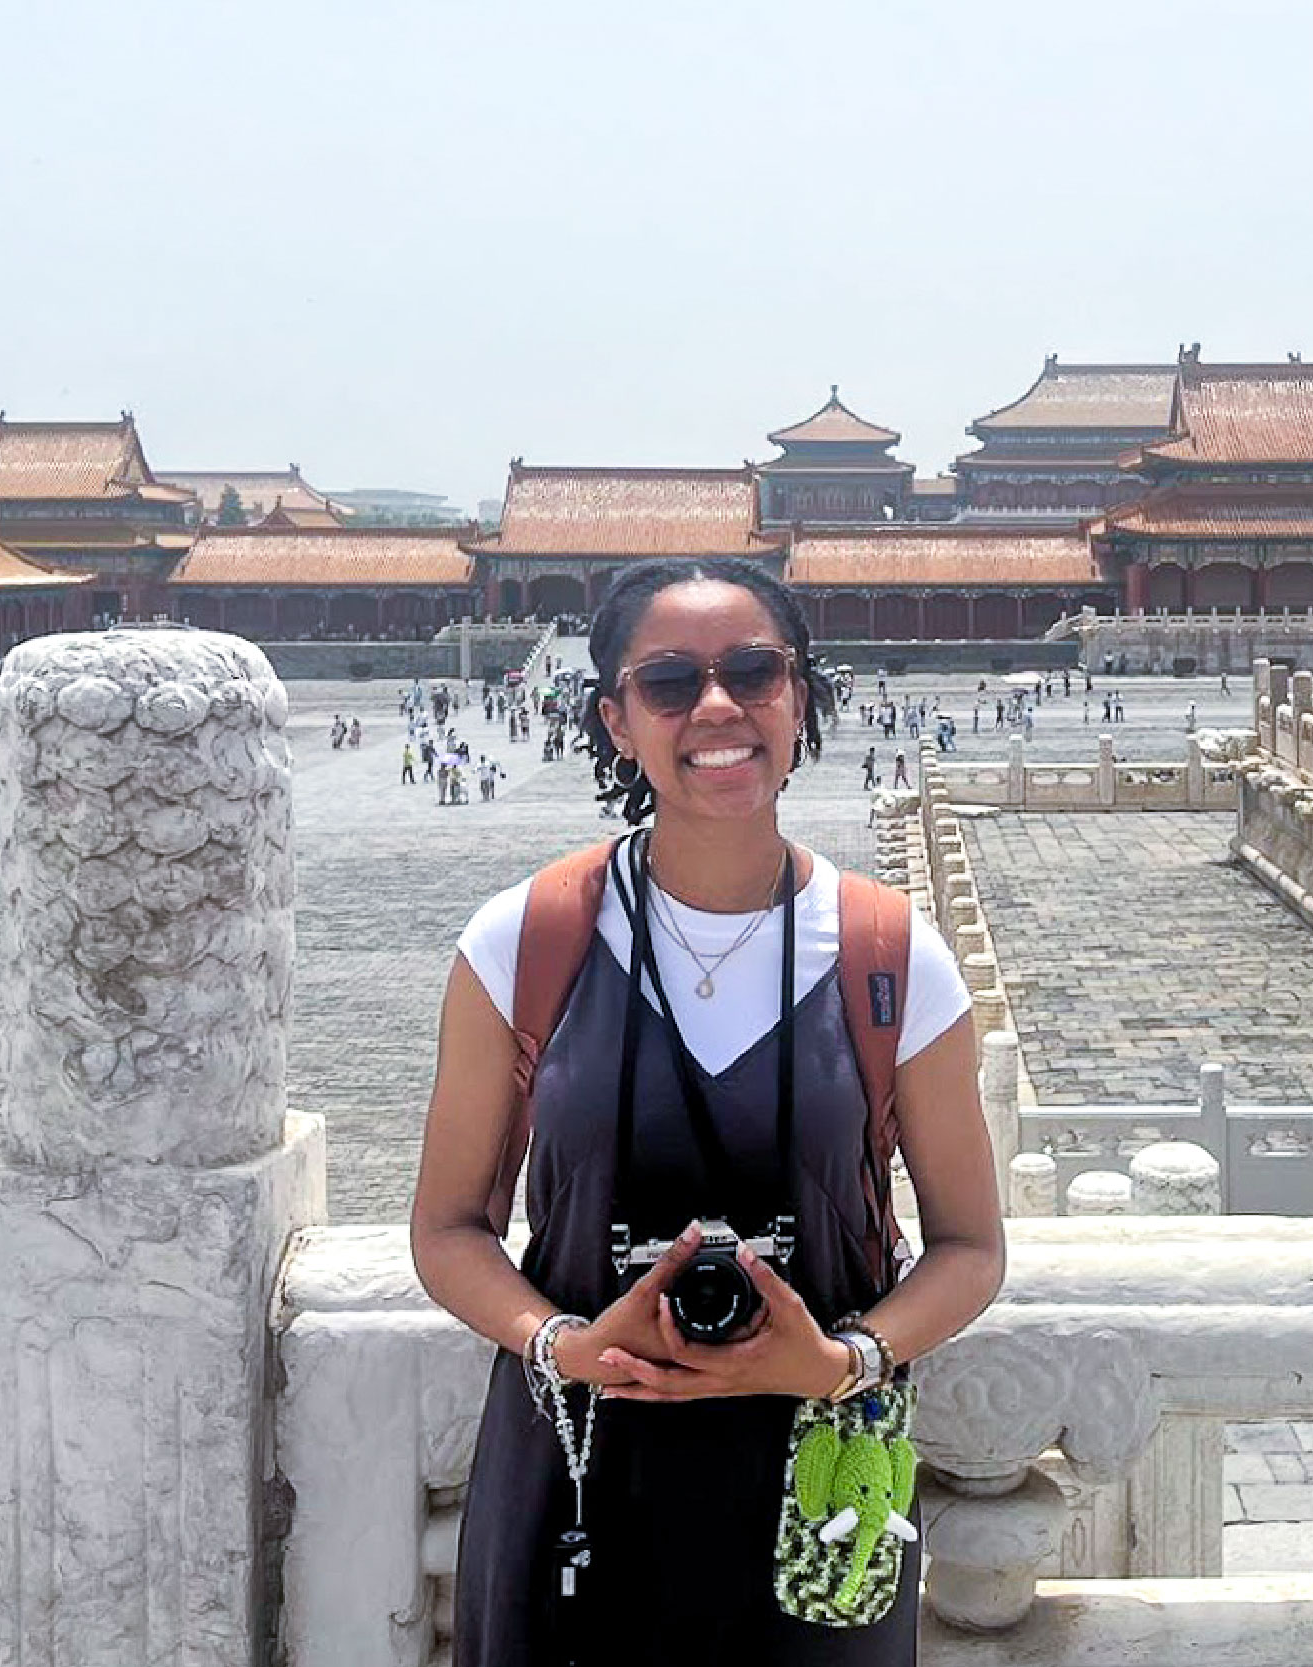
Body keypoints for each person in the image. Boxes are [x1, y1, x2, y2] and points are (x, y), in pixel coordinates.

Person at [412, 559, 1001, 1664]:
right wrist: (565, 1343)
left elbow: (970, 1246)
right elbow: (447, 1227)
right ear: (616, 719)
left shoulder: (889, 955)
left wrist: (847, 1357)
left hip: (823, 1496)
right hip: (576, 1477)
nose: (718, 707)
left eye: (754, 671)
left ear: (799, 696)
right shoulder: (525, 941)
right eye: (672, 681)